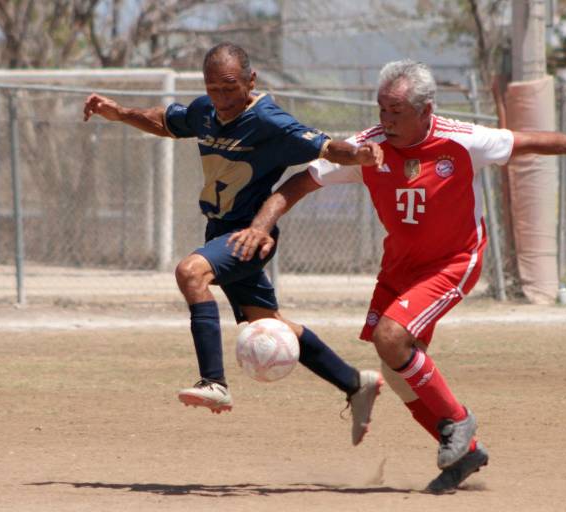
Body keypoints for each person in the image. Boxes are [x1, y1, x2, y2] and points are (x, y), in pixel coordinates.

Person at [229, 60, 566, 493]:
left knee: (391, 339)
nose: (385, 120)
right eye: (381, 109)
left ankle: (457, 421)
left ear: (426, 109)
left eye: (396, 111)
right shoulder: (367, 149)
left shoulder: (464, 140)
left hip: (453, 260)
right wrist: (260, 226)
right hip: (400, 266)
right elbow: (299, 183)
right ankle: (466, 452)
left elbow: (528, 142)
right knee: (396, 370)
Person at [82, 42, 385, 445]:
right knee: (269, 324)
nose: (221, 98)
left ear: (250, 81)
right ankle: (354, 382)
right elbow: (164, 121)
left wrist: (360, 154)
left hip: (250, 236)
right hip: (219, 232)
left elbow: (328, 147)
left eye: (229, 88)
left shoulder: (268, 120)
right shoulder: (205, 111)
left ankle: (214, 382)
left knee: (190, 273)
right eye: (213, 89)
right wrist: (117, 113)